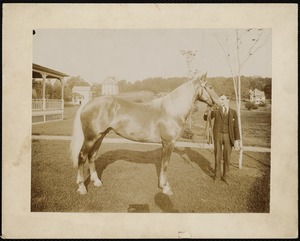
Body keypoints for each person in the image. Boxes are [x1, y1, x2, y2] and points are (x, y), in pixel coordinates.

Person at [204, 94, 241, 184]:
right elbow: (206, 118)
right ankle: (217, 176)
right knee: (217, 156)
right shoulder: (216, 110)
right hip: (218, 135)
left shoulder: (233, 112)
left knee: (227, 157)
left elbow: (236, 127)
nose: (221, 101)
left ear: (228, 100)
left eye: (223, 99)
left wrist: (237, 140)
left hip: (229, 136)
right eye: (220, 99)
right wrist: (207, 111)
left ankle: (226, 176)